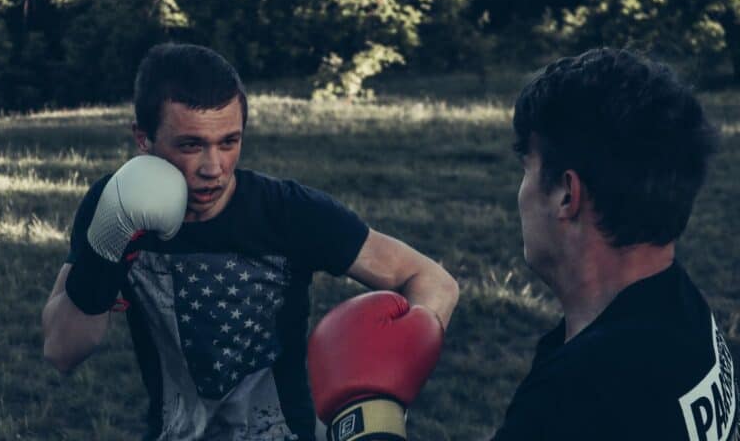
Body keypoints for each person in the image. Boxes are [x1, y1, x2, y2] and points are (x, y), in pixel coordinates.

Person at [41, 43, 459, 441]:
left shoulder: (288, 212)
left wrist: (387, 382)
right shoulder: (112, 203)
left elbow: (432, 281)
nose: (213, 168)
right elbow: (63, 350)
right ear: (142, 138)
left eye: (229, 142)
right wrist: (109, 247)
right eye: (190, 145)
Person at [492, 48, 738, 440]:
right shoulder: (683, 308)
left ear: (567, 195)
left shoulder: (578, 396)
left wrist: (373, 414)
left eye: (527, 169)